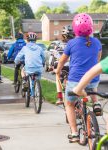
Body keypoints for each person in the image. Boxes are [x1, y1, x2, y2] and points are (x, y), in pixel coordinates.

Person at [56, 13, 102, 142]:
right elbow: (98, 59)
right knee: (92, 85)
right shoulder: (97, 42)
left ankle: (75, 133)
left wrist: (58, 71)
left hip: (76, 80)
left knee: (69, 104)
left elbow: (62, 61)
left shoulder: (71, 43)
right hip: (93, 79)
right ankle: (96, 103)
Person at [55, 25, 75, 105]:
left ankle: (60, 97)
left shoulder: (59, 45)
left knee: (57, 76)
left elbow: (54, 55)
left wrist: (51, 66)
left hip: (63, 66)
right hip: (74, 67)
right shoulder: (75, 44)